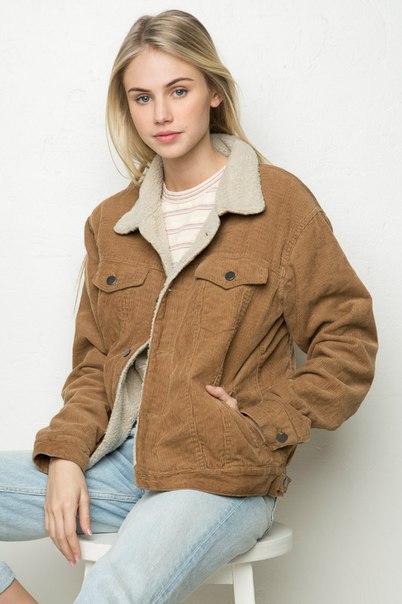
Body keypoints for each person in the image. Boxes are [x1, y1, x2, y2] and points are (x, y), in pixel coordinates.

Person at [0, 8, 378, 604]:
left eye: (179, 90)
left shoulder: (281, 205)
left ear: (214, 93)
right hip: (121, 464)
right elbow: (95, 363)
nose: (162, 114)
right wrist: (67, 455)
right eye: (142, 97)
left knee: (112, 589)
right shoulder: (111, 222)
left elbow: (348, 342)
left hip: (222, 475)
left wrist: (259, 419)